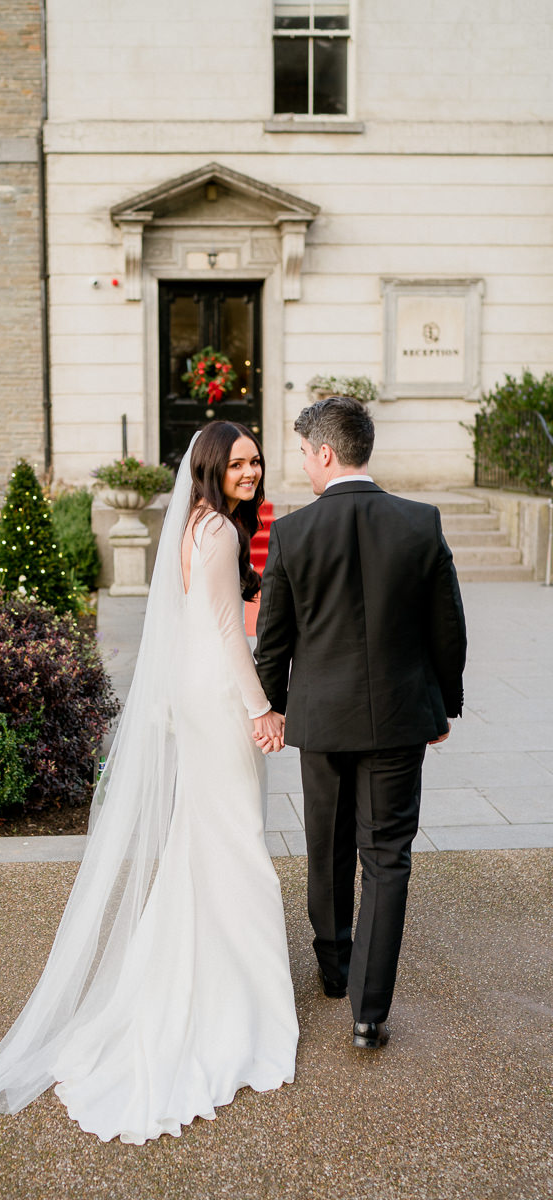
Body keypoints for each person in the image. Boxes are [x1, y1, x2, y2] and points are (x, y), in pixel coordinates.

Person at [0, 421, 299, 1143]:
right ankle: (245, 1004)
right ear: (210, 467)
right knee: (238, 842)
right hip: (219, 696)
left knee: (206, 837)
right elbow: (231, 632)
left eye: (256, 462)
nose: (252, 472)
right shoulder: (223, 534)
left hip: (190, 695)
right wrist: (262, 707)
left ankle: (208, 974)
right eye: (238, 463)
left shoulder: (193, 524)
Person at [254, 396, 466, 1051]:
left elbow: (274, 641)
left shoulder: (293, 533)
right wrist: (444, 704)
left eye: (304, 455)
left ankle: (334, 972)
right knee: (387, 858)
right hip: (401, 719)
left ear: (324, 452)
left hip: (321, 722)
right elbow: (448, 631)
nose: (305, 468)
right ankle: (370, 1015)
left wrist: (273, 707)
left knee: (328, 845)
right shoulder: (420, 523)